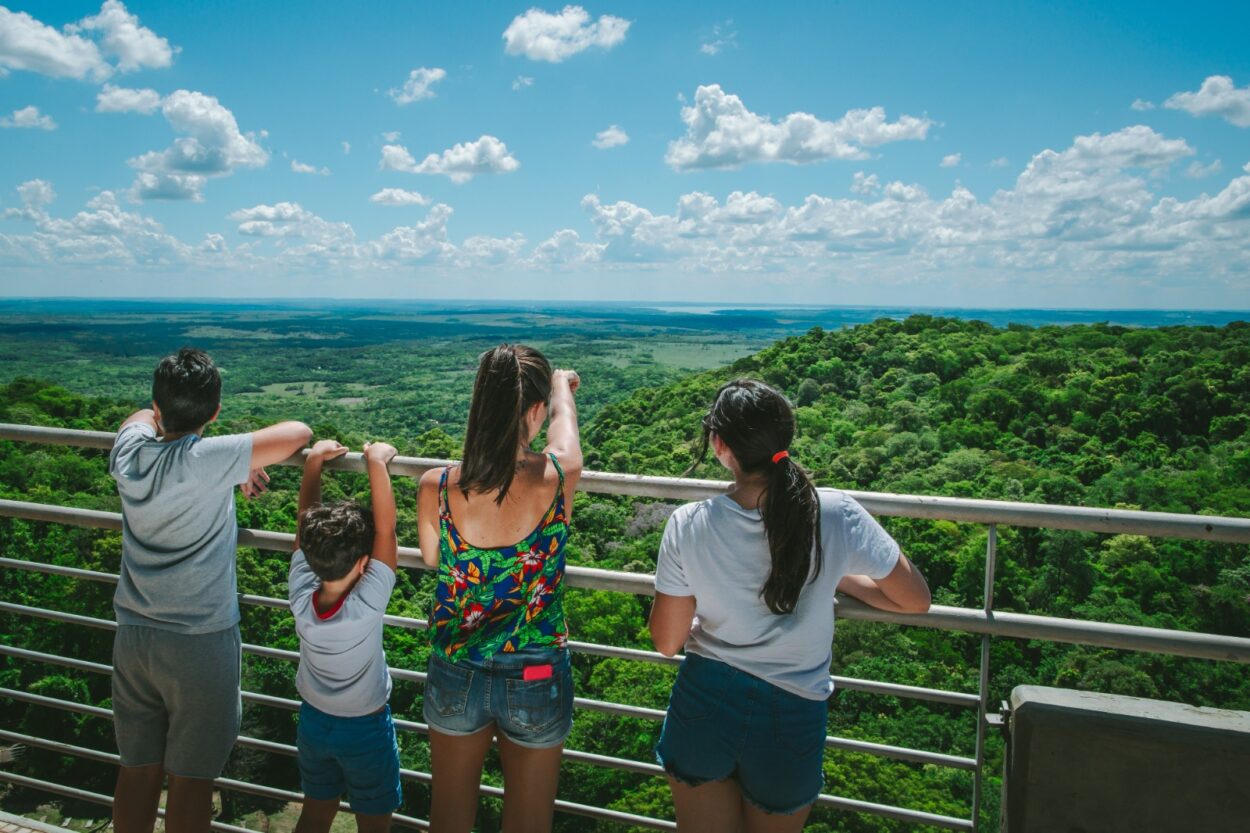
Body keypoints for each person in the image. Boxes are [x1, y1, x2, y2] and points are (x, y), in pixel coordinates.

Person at [649, 379, 931, 833]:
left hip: (705, 699)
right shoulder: (836, 513)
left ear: (720, 445)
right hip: (793, 709)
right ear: (785, 437)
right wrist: (832, 573)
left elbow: (667, 641)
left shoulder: (689, 524)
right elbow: (915, 600)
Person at [109, 348, 312, 833]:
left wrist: (164, 420)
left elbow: (137, 418)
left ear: (158, 407)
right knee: (192, 779)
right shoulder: (207, 459)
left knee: (137, 769)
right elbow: (299, 432)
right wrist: (232, 460)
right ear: (215, 412)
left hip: (134, 635)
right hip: (200, 641)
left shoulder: (129, 451)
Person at [416, 344, 582, 833]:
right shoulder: (557, 478)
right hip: (535, 672)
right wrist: (560, 389)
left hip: (456, 667)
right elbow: (565, 437)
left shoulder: (437, 486)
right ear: (534, 410)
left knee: (448, 814)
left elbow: (433, 557)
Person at [288, 438, 402, 832]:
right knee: (374, 823)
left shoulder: (302, 590)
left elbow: (305, 521)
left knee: (315, 813)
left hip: (315, 721)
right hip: (365, 728)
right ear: (363, 563)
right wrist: (377, 460)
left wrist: (314, 460)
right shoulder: (366, 604)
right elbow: (386, 528)